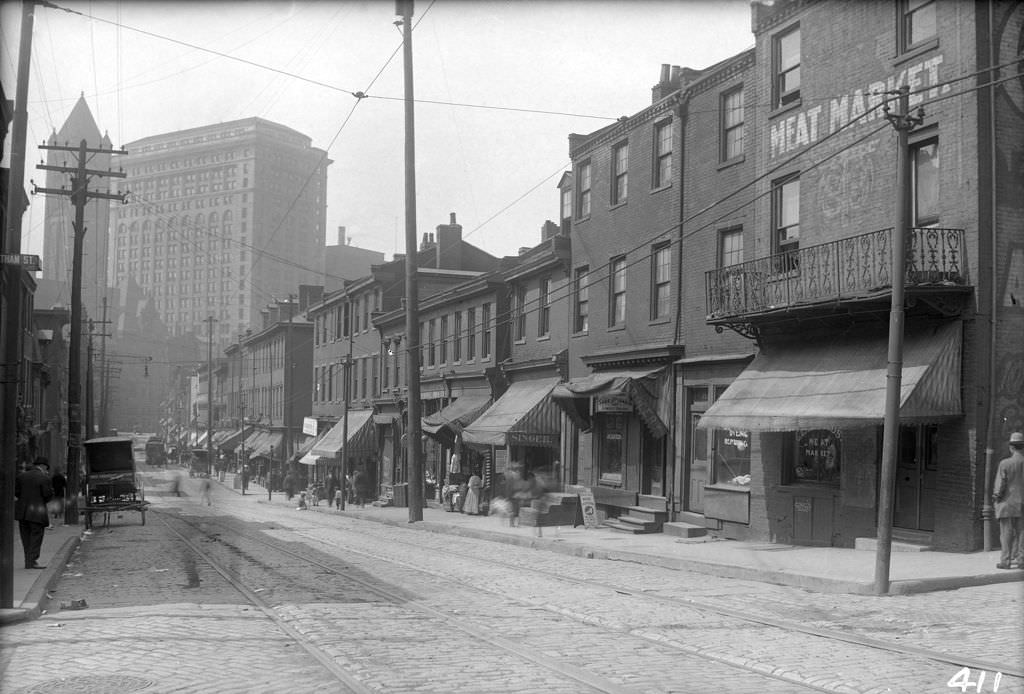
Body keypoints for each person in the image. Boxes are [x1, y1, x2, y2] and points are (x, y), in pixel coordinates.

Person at [15, 457, 54, 569]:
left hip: (22, 512)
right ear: (43, 466)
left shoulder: (21, 476)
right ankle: (32, 561)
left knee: (25, 537)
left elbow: (17, 492)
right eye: (46, 468)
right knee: (36, 537)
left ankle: (28, 560)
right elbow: (47, 495)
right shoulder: (44, 478)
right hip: (37, 512)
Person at [993, 431, 1024, 569]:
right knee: (1022, 533)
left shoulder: (1005, 464)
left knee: (1006, 534)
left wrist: (996, 499)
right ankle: (1021, 560)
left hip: (1007, 503)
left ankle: (1006, 561)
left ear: (1011, 447)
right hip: (1022, 504)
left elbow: (1000, 485)